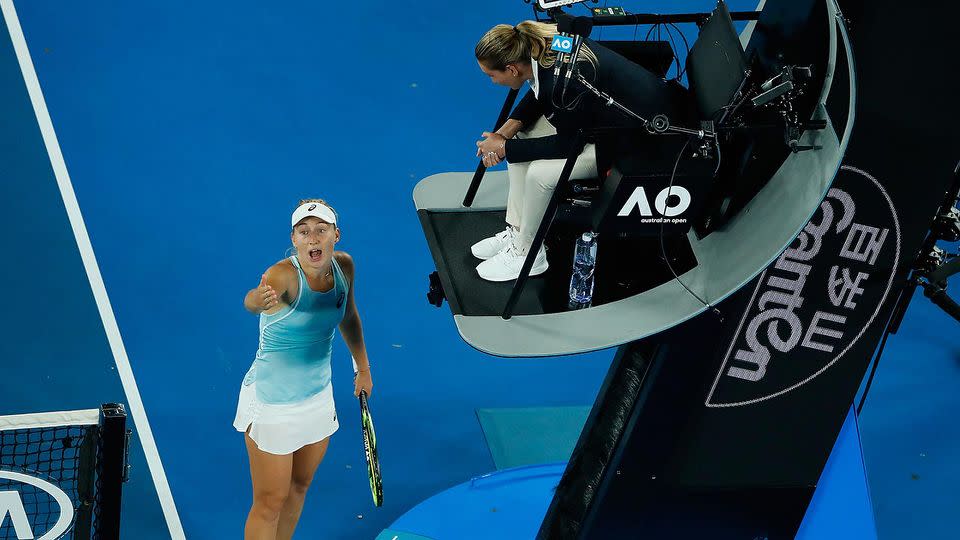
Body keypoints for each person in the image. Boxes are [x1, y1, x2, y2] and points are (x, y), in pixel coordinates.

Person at [472, 21, 682, 281]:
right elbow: (540, 91)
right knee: (523, 137)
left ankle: (529, 254)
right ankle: (519, 231)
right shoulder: (547, 46)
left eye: (491, 76)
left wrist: (504, 146)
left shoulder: (562, 85)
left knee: (539, 174)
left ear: (512, 68)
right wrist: (506, 133)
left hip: (638, 139)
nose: (492, 82)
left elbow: (569, 144)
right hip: (607, 120)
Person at [234, 199, 373, 540]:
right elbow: (252, 300)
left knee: (299, 487)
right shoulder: (281, 274)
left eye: (321, 231)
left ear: (335, 235)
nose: (313, 238)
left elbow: (349, 315)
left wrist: (362, 367)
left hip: (317, 397)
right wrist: (257, 300)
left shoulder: (345, 267)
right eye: (304, 232)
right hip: (271, 403)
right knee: (269, 502)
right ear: (294, 239)